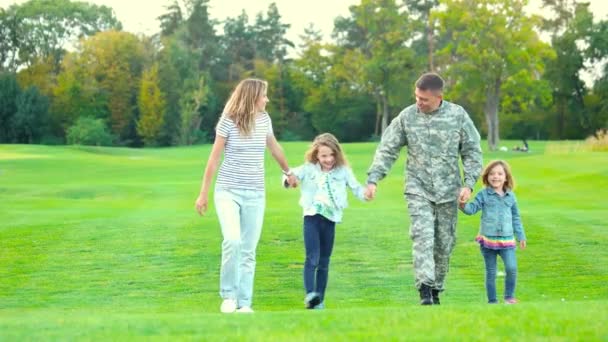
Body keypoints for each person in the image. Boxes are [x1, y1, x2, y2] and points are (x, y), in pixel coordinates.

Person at [365, 72, 483, 305]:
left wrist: (469, 185)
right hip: (417, 188)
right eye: (417, 97)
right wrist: (373, 179)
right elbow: (387, 148)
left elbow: (472, 152)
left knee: (444, 242)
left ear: (439, 97)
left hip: (449, 191)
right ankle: (425, 289)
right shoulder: (407, 117)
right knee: (423, 236)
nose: (419, 102)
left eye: (424, 99)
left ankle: (437, 288)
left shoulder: (458, 116)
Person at [195, 78, 296, 314]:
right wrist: (203, 194)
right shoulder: (228, 122)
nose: (267, 99)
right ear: (252, 97)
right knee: (232, 240)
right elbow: (214, 159)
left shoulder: (264, 120)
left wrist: (288, 172)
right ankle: (228, 296)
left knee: (249, 250)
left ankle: (244, 304)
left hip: (255, 194)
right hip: (228, 191)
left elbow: (274, 147)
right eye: (264, 95)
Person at [284, 133, 368, 309]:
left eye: (331, 155)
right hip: (312, 217)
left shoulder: (343, 171)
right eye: (324, 156)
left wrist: (366, 194)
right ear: (316, 155)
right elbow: (291, 175)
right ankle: (310, 296)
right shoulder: (308, 169)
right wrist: (289, 180)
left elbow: (357, 188)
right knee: (312, 258)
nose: (328, 159)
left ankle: (319, 300)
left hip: (330, 219)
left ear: (337, 154)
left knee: (324, 261)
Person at [459, 160, 526, 304]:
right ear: (487, 177)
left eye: (500, 174)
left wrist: (520, 235)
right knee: (491, 272)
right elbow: (471, 210)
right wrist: (462, 204)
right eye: (492, 174)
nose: (496, 177)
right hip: (488, 241)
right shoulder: (483, 195)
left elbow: (516, 217)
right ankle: (492, 301)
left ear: (506, 177)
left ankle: (509, 297)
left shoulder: (511, 196)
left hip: (507, 240)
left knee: (511, 268)